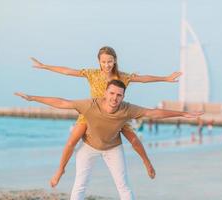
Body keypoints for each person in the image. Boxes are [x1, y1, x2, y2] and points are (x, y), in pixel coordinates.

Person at [15, 80, 203, 200]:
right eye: (112, 93)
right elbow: (62, 102)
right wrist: (32, 98)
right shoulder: (90, 105)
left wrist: (183, 114)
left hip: (113, 148)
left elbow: (153, 112)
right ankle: (61, 172)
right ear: (105, 93)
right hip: (88, 148)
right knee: (80, 184)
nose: (114, 98)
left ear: (123, 96)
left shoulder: (127, 109)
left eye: (119, 95)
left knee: (123, 186)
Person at [30, 46, 182, 185]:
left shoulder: (122, 77)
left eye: (110, 61)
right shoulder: (91, 74)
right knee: (72, 140)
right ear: (99, 62)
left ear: (115, 61)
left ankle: (147, 163)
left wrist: (165, 78)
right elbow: (68, 71)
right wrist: (45, 66)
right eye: (103, 62)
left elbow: (144, 79)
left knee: (134, 139)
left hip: (116, 115)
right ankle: (60, 170)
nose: (107, 65)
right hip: (92, 114)